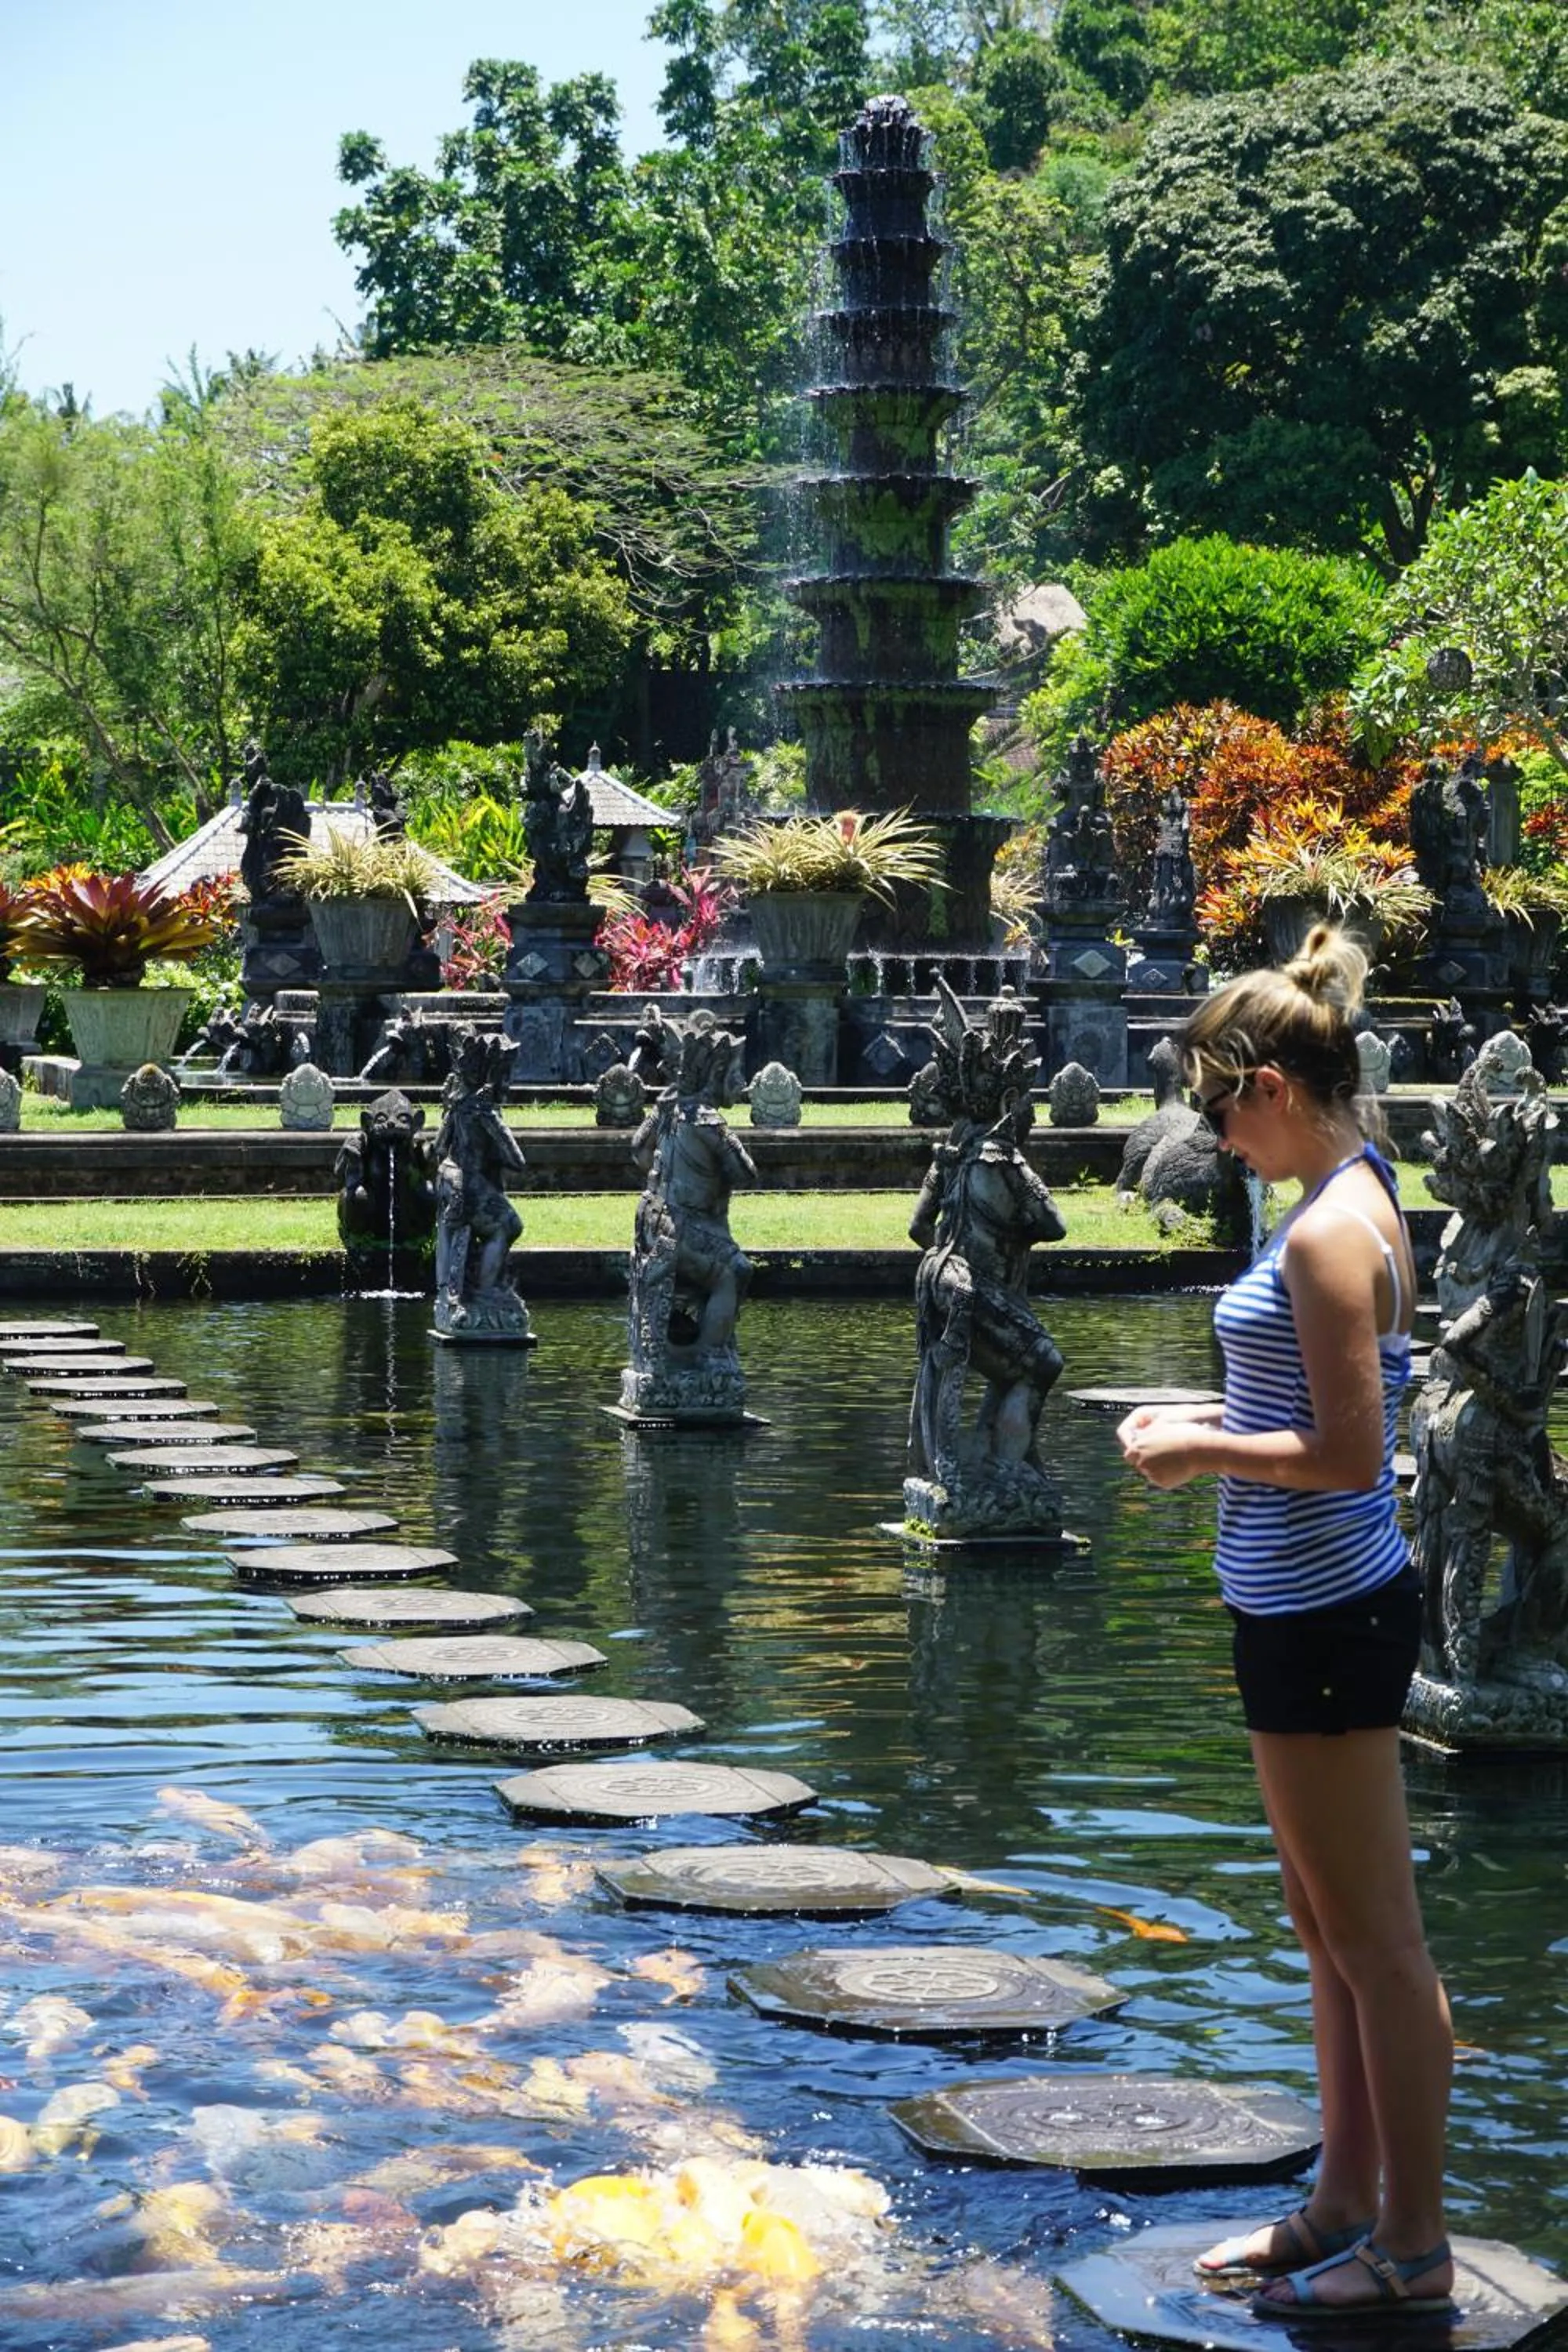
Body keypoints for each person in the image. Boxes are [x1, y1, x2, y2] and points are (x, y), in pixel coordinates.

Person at [1116, 924, 1454, 2323]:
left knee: (1378, 1945)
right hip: (1300, 1610)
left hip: (1324, 1613)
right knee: (1323, 1929)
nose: (1212, 1136)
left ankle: (1414, 2249)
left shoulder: (1325, 1231)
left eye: (1214, 1104)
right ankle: (1340, 2206)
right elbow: (1323, 1414)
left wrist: (1202, 1456)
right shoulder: (1348, 1191)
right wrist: (1205, 1417)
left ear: (1268, 1085)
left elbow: (1344, 1455)